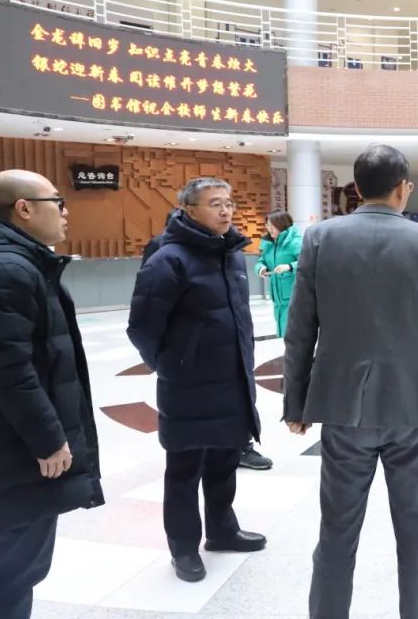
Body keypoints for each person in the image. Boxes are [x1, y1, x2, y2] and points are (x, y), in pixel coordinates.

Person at [282, 145, 418, 619]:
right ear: (403, 188)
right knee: (417, 532)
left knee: (336, 532)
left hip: (342, 408)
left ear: (358, 188)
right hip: (411, 408)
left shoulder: (320, 238)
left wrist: (295, 404)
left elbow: (300, 328)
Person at [0, 170, 104, 619]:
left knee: (13, 560)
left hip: (9, 443)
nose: (66, 212)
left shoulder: (15, 264)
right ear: (24, 209)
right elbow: (8, 371)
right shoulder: (5, 271)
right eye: (58, 202)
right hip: (13, 448)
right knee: (13, 567)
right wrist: (48, 439)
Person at [127, 178, 266, 584]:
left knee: (225, 461)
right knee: (184, 470)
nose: (226, 211)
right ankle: (183, 547)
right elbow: (142, 326)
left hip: (231, 378)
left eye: (229, 202)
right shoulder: (168, 258)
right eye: (215, 203)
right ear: (188, 210)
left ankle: (222, 530)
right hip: (187, 385)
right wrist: (173, 363)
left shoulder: (230, 253)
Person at [141, 207, 272, 472]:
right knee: (194, 413)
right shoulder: (164, 249)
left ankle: (242, 445)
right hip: (190, 351)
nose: (224, 213)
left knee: (238, 398)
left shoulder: (230, 246)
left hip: (231, 344)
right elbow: (147, 315)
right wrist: (166, 358)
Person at [255, 210, 302, 337]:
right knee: (283, 332)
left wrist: (289, 266)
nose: (268, 228)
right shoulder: (268, 243)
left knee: (292, 334)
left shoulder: (295, 242)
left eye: (272, 225)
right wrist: (261, 268)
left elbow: (308, 262)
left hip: (294, 297)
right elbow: (260, 261)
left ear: (281, 224)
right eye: (267, 225)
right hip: (277, 298)